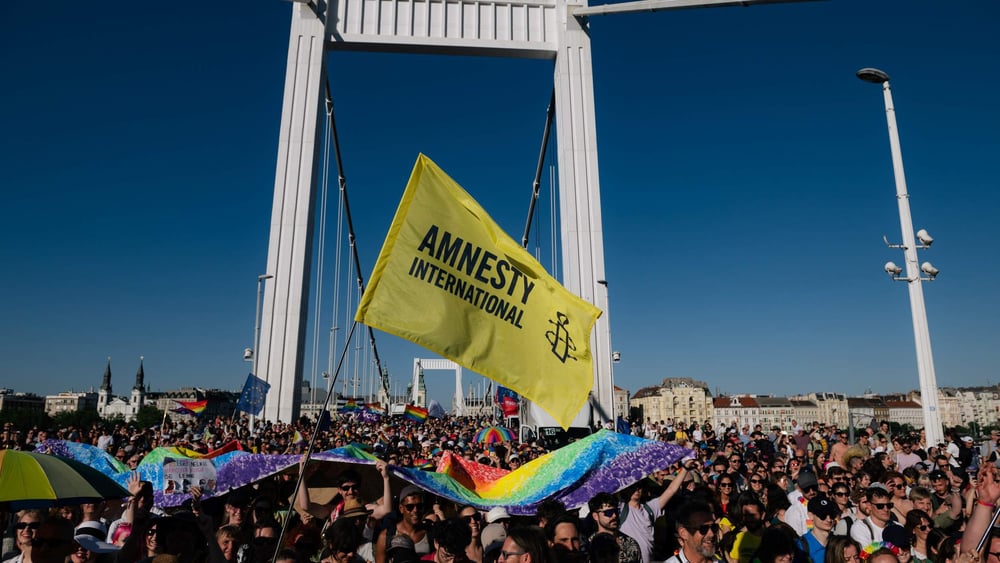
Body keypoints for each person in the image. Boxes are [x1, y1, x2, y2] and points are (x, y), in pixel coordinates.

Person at [619, 464, 688, 563]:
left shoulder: (649, 508)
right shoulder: (620, 508)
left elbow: (671, 490)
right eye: (632, 486)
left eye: (639, 486)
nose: (637, 490)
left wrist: (685, 468)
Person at [374, 486, 431, 563]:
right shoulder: (386, 536)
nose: (415, 510)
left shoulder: (430, 533)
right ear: (401, 508)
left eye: (419, 506)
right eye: (410, 507)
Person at [588, 493, 640, 563]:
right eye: (608, 513)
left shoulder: (631, 544)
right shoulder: (588, 546)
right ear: (595, 516)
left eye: (616, 511)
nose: (614, 516)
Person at [802, 496, 839, 563]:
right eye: (822, 515)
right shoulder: (801, 546)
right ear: (811, 515)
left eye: (831, 515)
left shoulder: (839, 542)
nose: (829, 519)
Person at [784, 471, 819, 536]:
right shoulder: (794, 511)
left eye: (814, 487)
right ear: (799, 489)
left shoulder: (825, 504)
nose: (811, 492)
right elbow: (796, 538)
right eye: (806, 489)